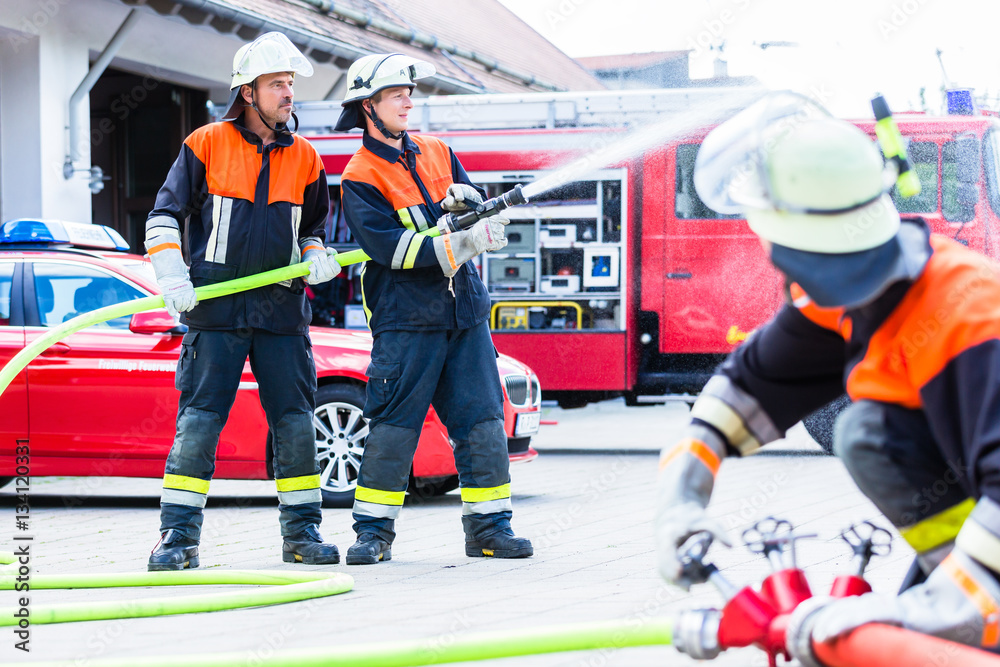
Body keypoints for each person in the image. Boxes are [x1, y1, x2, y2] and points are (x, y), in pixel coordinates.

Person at [654, 91, 1000, 660]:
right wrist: (680, 499)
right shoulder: (854, 294)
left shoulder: (971, 317)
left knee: (867, 431)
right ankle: (962, 592)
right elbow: (740, 393)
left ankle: (972, 609)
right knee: (868, 431)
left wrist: (924, 613)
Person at [144, 32, 342, 570]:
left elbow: (316, 226)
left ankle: (302, 535)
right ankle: (177, 539)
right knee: (201, 422)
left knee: (296, 424)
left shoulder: (306, 157)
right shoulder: (206, 142)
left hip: (281, 314)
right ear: (248, 92)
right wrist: (172, 274)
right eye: (277, 84)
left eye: (290, 84)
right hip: (216, 312)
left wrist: (317, 255)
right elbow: (164, 215)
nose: (288, 93)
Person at [333, 53, 532, 565]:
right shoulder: (359, 175)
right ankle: (372, 535)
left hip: (463, 316)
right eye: (394, 93)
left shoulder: (438, 150)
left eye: (408, 91)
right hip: (406, 322)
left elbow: (474, 214)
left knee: (483, 424)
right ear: (367, 107)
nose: (407, 99)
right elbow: (391, 250)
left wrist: (474, 209)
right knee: (394, 429)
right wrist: (459, 241)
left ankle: (489, 530)